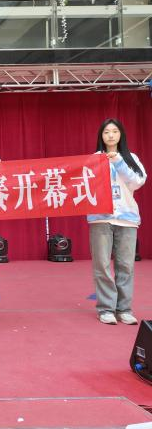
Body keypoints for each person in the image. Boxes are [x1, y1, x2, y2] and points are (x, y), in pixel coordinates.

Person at [88, 118, 146, 325]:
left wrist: (118, 162)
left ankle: (124, 309)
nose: (110, 135)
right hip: (100, 219)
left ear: (121, 134)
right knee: (102, 265)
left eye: (114, 131)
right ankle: (105, 308)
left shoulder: (131, 158)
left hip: (127, 219)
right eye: (106, 132)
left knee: (126, 266)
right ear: (101, 136)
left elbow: (138, 181)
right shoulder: (93, 159)